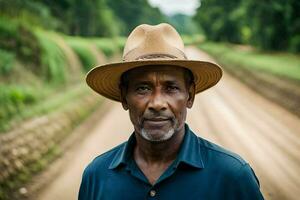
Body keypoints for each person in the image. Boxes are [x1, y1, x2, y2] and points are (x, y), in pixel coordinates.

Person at [79, 23, 264, 200]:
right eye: (143, 88)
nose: (157, 103)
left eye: (171, 88)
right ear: (123, 97)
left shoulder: (232, 177)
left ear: (190, 96)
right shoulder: (96, 176)